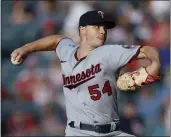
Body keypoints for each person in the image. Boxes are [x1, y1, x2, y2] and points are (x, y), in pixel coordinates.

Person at [11, 10, 161, 136]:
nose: (103, 31)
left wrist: (152, 69)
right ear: (82, 30)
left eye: (105, 28)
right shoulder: (68, 52)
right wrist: (26, 48)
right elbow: (57, 40)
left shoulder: (110, 53)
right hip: (77, 132)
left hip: (112, 132)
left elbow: (149, 51)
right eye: (97, 27)